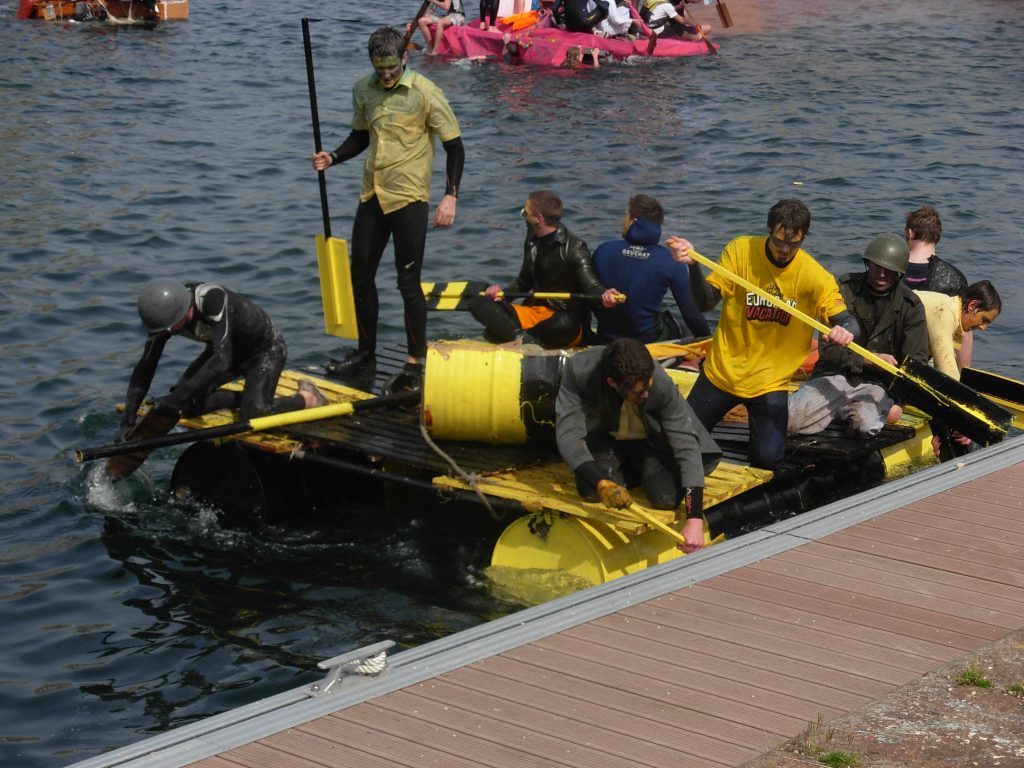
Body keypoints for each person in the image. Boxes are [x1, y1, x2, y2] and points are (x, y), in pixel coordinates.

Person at [311, 26, 464, 394]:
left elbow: (455, 147)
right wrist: (333, 157)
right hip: (373, 196)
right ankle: (366, 353)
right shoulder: (364, 89)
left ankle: (415, 362)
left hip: (410, 199)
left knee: (408, 283)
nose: (386, 75)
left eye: (392, 69)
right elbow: (362, 136)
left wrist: (450, 196)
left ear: (405, 58)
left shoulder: (426, 92)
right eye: (380, 69)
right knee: (359, 276)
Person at [667, 199, 858, 470]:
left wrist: (844, 331)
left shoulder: (814, 276)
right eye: (779, 240)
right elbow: (705, 302)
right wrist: (692, 265)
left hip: (770, 381)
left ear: (804, 238)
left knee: (766, 459)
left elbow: (848, 321)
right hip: (724, 372)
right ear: (769, 228)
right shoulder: (741, 251)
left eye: (793, 243)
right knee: (679, 443)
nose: (784, 249)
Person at [555, 338, 722, 552]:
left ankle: (641, 470)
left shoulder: (658, 382)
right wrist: (601, 483)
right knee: (588, 489)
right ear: (612, 383)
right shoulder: (580, 371)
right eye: (637, 392)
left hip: (653, 442)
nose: (645, 395)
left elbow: (686, 445)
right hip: (609, 437)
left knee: (665, 498)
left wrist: (694, 519)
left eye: (648, 387)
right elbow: (568, 433)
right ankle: (629, 472)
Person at [117, 280, 328, 441]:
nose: (168, 334)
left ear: (184, 311)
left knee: (255, 415)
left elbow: (221, 361)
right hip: (227, 350)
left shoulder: (211, 298)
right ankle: (242, 398)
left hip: (264, 350)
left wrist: (177, 397)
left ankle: (307, 397)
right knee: (185, 405)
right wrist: (128, 419)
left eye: (171, 330)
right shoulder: (166, 317)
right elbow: (146, 366)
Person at [788, 234, 929, 437]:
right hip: (833, 375)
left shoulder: (911, 306)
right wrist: (870, 360)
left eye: (889, 271)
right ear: (867, 264)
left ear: (899, 273)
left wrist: (898, 400)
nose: (881, 275)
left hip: (877, 385)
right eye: (876, 268)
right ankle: (830, 412)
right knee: (791, 420)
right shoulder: (844, 290)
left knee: (865, 426)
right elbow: (828, 353)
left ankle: (855, 415)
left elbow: (915, 364)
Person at [469, 190, 622, 349]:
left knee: (566, 323)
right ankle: (523, 338)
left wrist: (605, 294)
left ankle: (510, 335)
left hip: (561, 319)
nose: (524, 216)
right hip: (533, 313)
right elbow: (523, 282)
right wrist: (502, 296)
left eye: (525, 213)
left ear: (538, 219)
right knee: (477, 302)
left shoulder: (574, 248)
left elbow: (592, 286)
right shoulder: (532, 239)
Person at [592, 194, 710, 344]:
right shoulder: (670, 259)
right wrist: (708, 343)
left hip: (606, 338)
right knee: (681, 326)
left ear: (634, 221)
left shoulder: (603, 250)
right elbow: (691, 314)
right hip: (647, 341)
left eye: (625, 217)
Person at [902, 205, 973, 367]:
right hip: (933, 357)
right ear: (937, 236)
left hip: (893, 353)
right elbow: (964, 331)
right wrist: (965, 376)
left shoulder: (889, 271)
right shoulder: (955, 277)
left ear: (910, 233)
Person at [915, 280, 1001, 381]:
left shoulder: (954, 316)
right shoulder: (945, 313)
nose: (983, 328)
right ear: (972, 306)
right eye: (984, 320)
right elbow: (947, 371)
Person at [640, 0, 709, 39]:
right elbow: (681, 20)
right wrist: (694, 23)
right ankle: (694, 37)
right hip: (657, 31)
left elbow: (664, 9)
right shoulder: (668, 5)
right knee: (677, 33)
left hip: (645, 27)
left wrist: (678, 7)